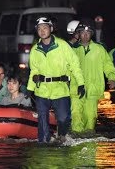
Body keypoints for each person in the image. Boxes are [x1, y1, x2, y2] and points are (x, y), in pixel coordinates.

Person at [26, 16, 85, 144]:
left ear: (51, 29)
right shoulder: (35, 50)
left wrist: (81, 83)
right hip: (42, 90)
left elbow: (75, 65)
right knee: (42, 120)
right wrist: (30, 88)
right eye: (39, 28)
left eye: (45, 28)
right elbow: (34, 71)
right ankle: (44, 144)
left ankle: (62, 135)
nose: (42, 31)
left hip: (60, 88)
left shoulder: (62, 45)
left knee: (64, 118)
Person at [70, 19, 115, 136]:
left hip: (92, 89)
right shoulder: (72, 50)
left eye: (88, 33)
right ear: (78, 34)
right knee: (76, 113)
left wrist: (111, 78)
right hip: (76, 88)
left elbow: (108, 65)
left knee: (90, 116)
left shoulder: (99, 49)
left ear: (91, 34)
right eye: (82, 33)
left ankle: (89, 146)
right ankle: (75, 140)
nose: (85, 35)